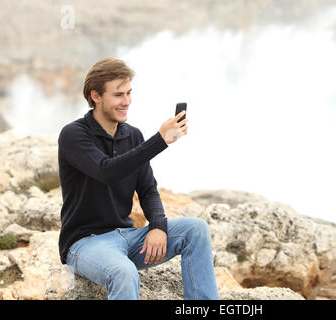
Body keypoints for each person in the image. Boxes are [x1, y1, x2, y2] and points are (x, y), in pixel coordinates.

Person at [57, 57, 219, 300]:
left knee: (196, 229)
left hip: (128, 237)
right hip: (85, 243)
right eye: (119, 95)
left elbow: (147, 189)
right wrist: (160, 140)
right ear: (96, 96)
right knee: (124, 272)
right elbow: (106, 171)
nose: (127, 102)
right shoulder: (74, 135)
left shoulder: (132, 135)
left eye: (129, 93)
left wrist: (157, 226)